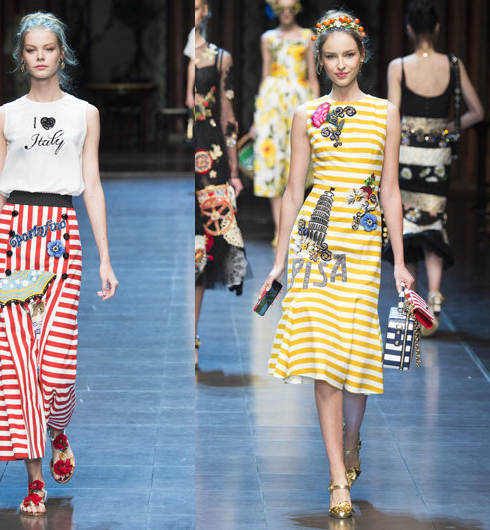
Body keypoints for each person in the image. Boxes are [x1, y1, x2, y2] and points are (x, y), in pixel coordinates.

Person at [260, 10, 413, 519]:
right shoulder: (305, 114)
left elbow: (390, 190)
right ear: (320, 61)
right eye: (331, 56)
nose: (341, 64)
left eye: (349, 55)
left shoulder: (386, 113)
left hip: (363, 239)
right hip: (315, 238)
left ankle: (351, 439)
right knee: (323, 358)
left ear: (362, 56)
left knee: (354, 356)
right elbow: (293, 190)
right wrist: (280, 259)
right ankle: (336, 478)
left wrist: (400, 261)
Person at [0, 12, 118, 516]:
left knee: (55, 366)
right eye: (31, 50)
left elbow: (91, 186)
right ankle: (34, 482)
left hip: (60, 237)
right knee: (18, 370)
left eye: (48, 48)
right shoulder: (4, 116)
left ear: (62, 53)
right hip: (12, 239)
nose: (40, 57)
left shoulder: (84, 114)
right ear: (21, 56)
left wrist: (105, 259)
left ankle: (58, 429)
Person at [384, 0, 483, 334]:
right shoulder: (453, 65)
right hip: (437, 158)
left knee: (408, 227)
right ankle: (436, 296)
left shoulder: (399, 66)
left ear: (409, 29)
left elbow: (392, 115)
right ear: (437, 28)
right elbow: (477, 111)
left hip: (407, 157)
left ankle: (413, 302)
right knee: (434, 222)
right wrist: (446, 130)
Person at [194, 0, 248, 369]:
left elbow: (227, 115)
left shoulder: (219, 58)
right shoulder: (187, 57)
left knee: (202, 246)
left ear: (207, 11)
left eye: (198, 6)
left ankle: (192, 334)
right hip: (182, 152)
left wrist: (234, 170)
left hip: (209, 156)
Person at [252, 0, 320, 246]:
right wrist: (257, 117)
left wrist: (319, 111)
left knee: (297, 163)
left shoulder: (308, 36)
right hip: (272, 103)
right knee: (273, 164)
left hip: (299, 100)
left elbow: (312, 76)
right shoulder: (268, 38)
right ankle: (280, 231)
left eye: (291, 8)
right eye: (282, 9)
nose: (287, 13)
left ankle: (295, 229)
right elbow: (265, 75)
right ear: (276, 10)